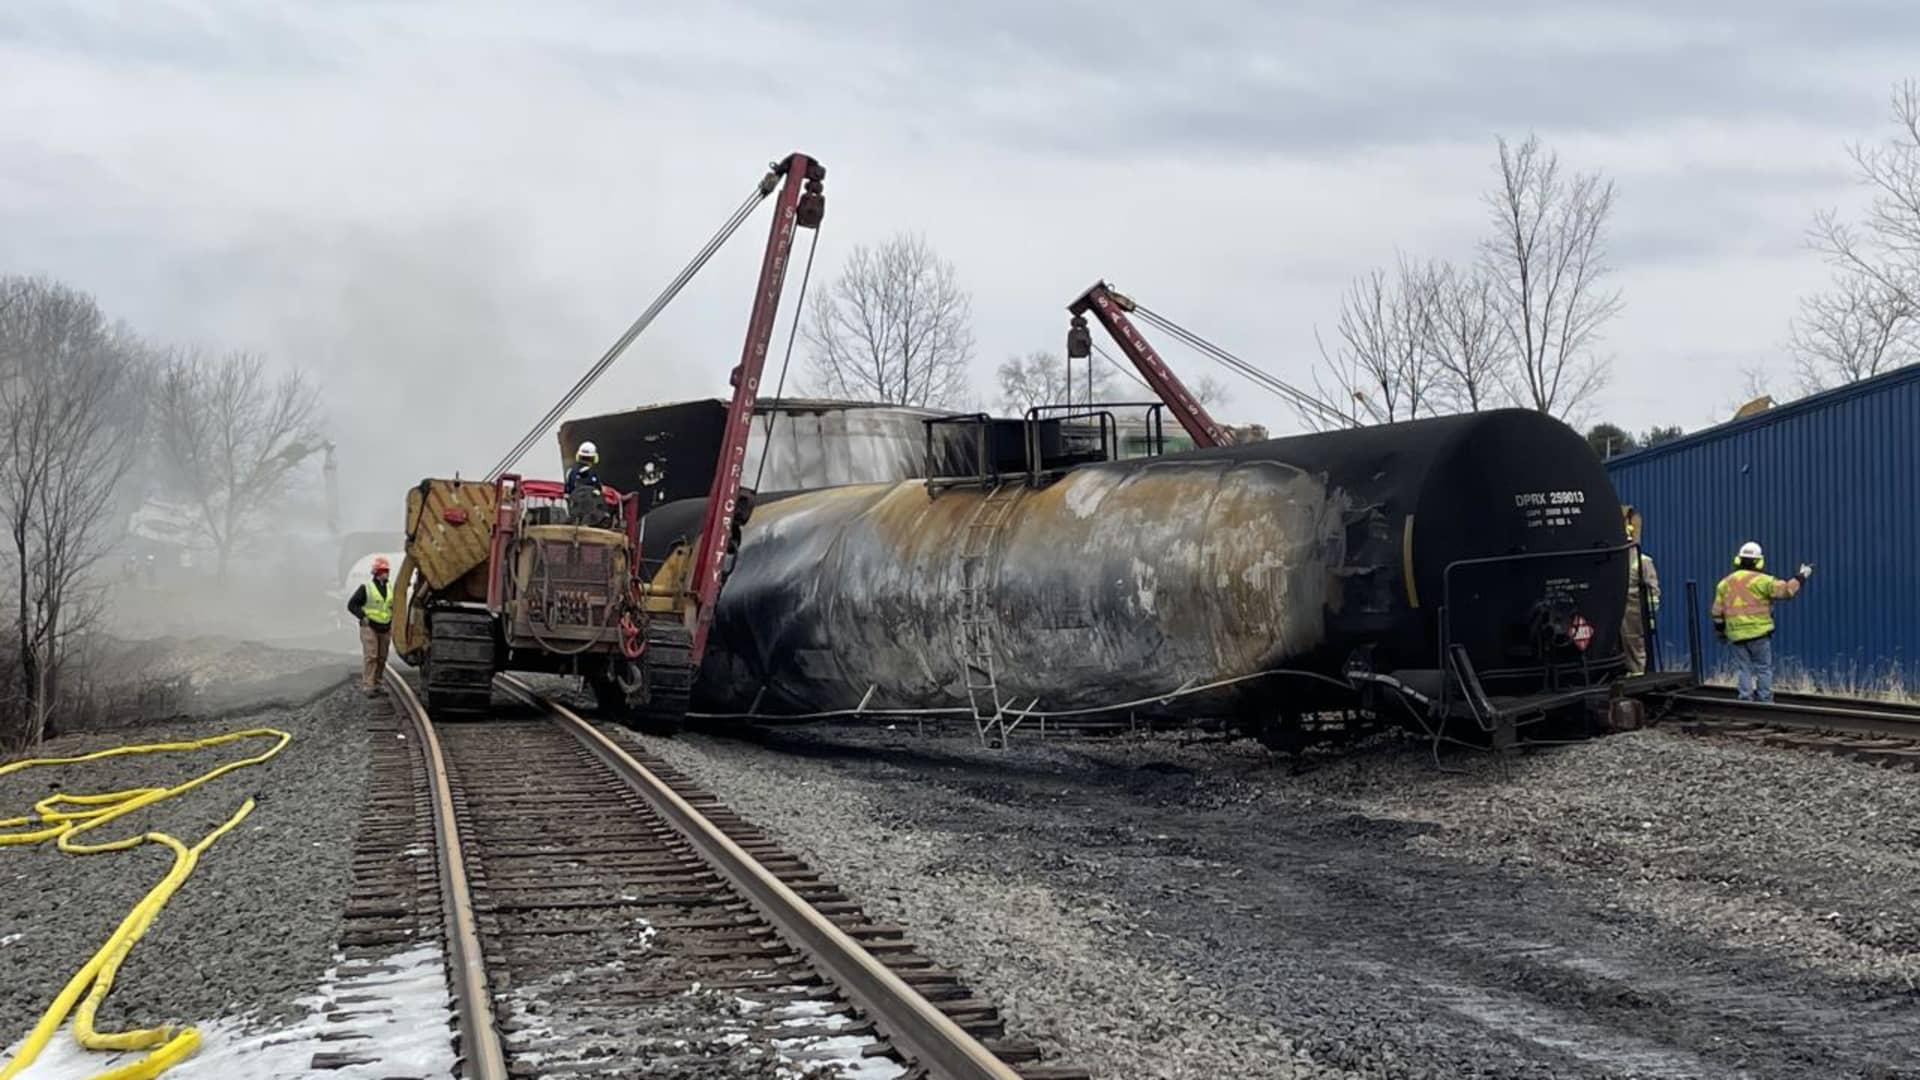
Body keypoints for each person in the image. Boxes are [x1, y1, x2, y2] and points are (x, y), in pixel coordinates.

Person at [1711, 542, 1813, 702]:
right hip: (1759, 634)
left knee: (1743, 668)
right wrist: (1801, 576)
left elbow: (1717, 613)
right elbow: (1787, 591)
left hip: (1736, 635)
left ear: (1738, 560)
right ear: (1759, 561)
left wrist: (1720, 633)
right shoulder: (1764, 581)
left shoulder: (1724, 584)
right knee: (1763, 668)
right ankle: (1765, 700)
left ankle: (1745, 699)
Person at [1620, 506, 1661, 676]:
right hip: (1622, 612)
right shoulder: (1617, 561)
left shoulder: (1643, 562)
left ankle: (1638, 675)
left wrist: (1649, 615)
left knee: (1636, 646)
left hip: (1635, 613)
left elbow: (1653, 592)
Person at [347, 556, 395, 697]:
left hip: (385, 627)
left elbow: (392, 606)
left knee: (382, 657)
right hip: (370, 627)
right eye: (384, 571)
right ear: (377, 573)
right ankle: (368, 685)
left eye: (387, 571)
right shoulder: (366, 588)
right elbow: (352, 605)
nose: (386, 573)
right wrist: (363, 616)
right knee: (371, 657)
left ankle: (378, 684)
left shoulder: (390, 588)